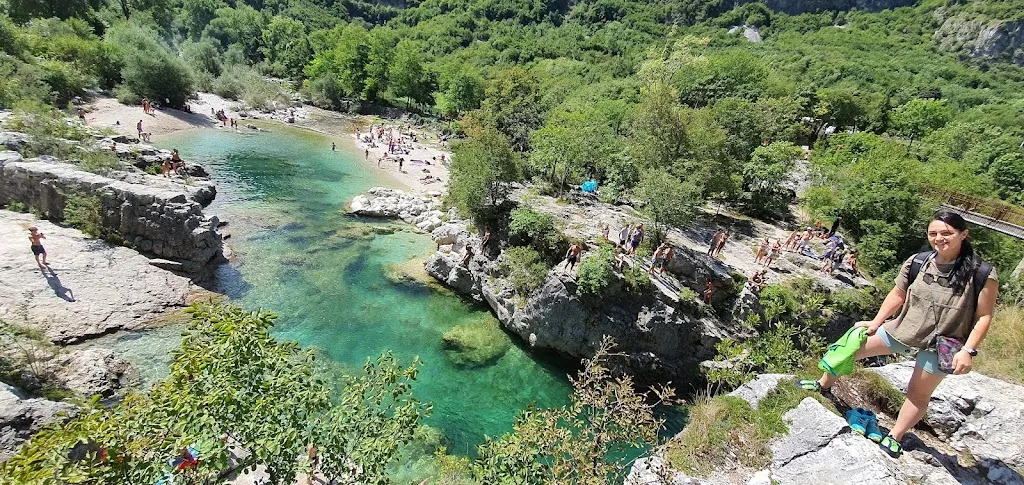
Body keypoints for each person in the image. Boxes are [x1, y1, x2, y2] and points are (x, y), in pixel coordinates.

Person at [796, 211, 999, 458]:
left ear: (963, 235)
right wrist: (876, 322)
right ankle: (822, 384)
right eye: (933, 233)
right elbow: (898, 294)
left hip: (944, 342)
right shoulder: (918, 262)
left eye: (947, 233)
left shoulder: (981, 274)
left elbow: (984, 316)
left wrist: (968, 350)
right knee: (852, 345)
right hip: (905, 327)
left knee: (918, 393)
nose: (939, 239)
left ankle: (896, 435)